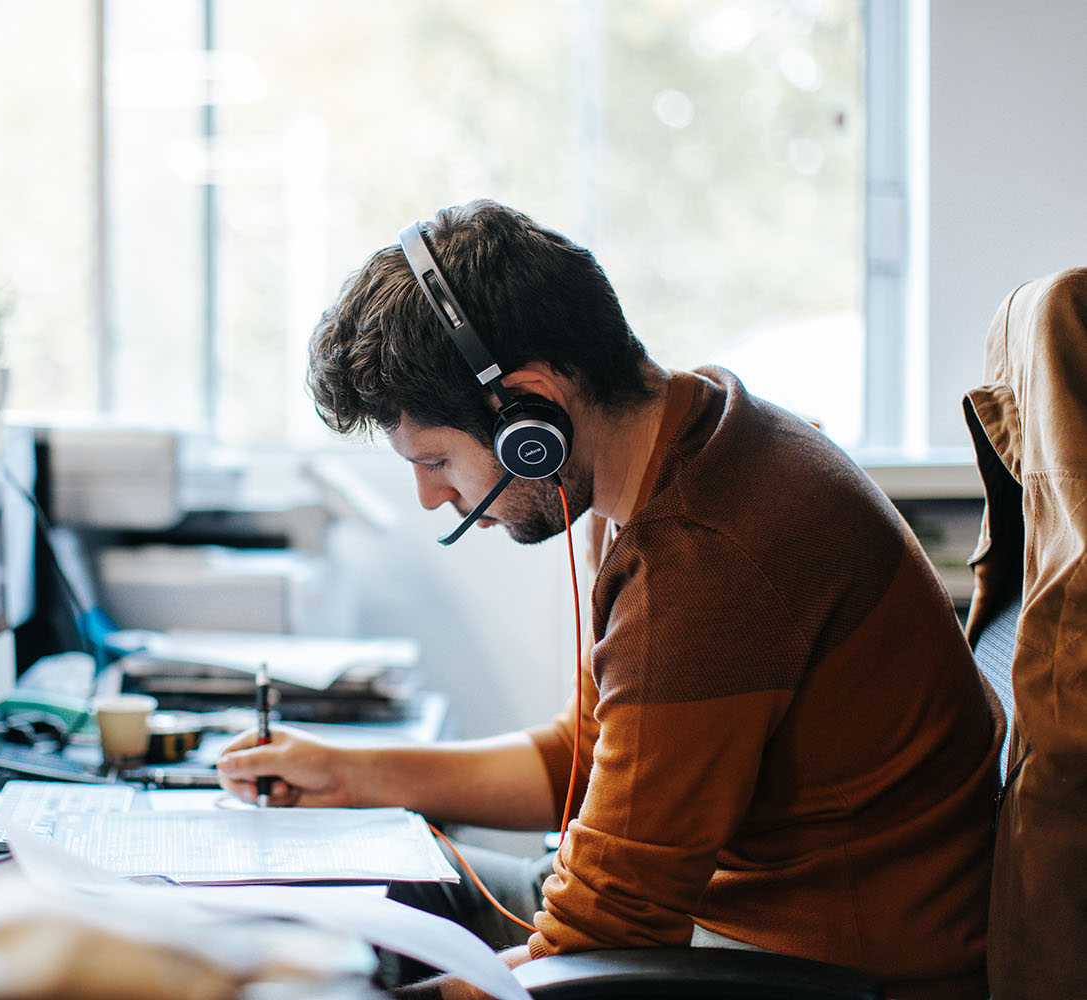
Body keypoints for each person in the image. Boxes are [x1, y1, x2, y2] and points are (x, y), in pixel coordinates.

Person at [216, 199, 1002, 1000]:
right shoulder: (684, 449)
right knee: (358, 891)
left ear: (533, 412)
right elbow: (584, 757)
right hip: (712, 928)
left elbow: (600, 938)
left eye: (437, 461)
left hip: (800, 971)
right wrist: (350, 775)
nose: (428, 497)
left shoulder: (703, 558)